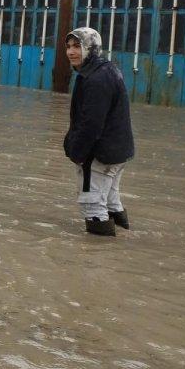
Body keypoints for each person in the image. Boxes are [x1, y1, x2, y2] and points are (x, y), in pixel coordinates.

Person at [62, 27, 134, 236]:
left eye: (77, 46)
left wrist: (77, 153)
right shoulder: (107, 69)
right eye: (68, 47)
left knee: (92, 207)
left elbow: (91, 124)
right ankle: (123, 244)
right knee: (111, 201)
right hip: (118, 152)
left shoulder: (96, 79)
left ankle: (98, 251)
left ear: (91, 48)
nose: (71, 52)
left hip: (99, 156)